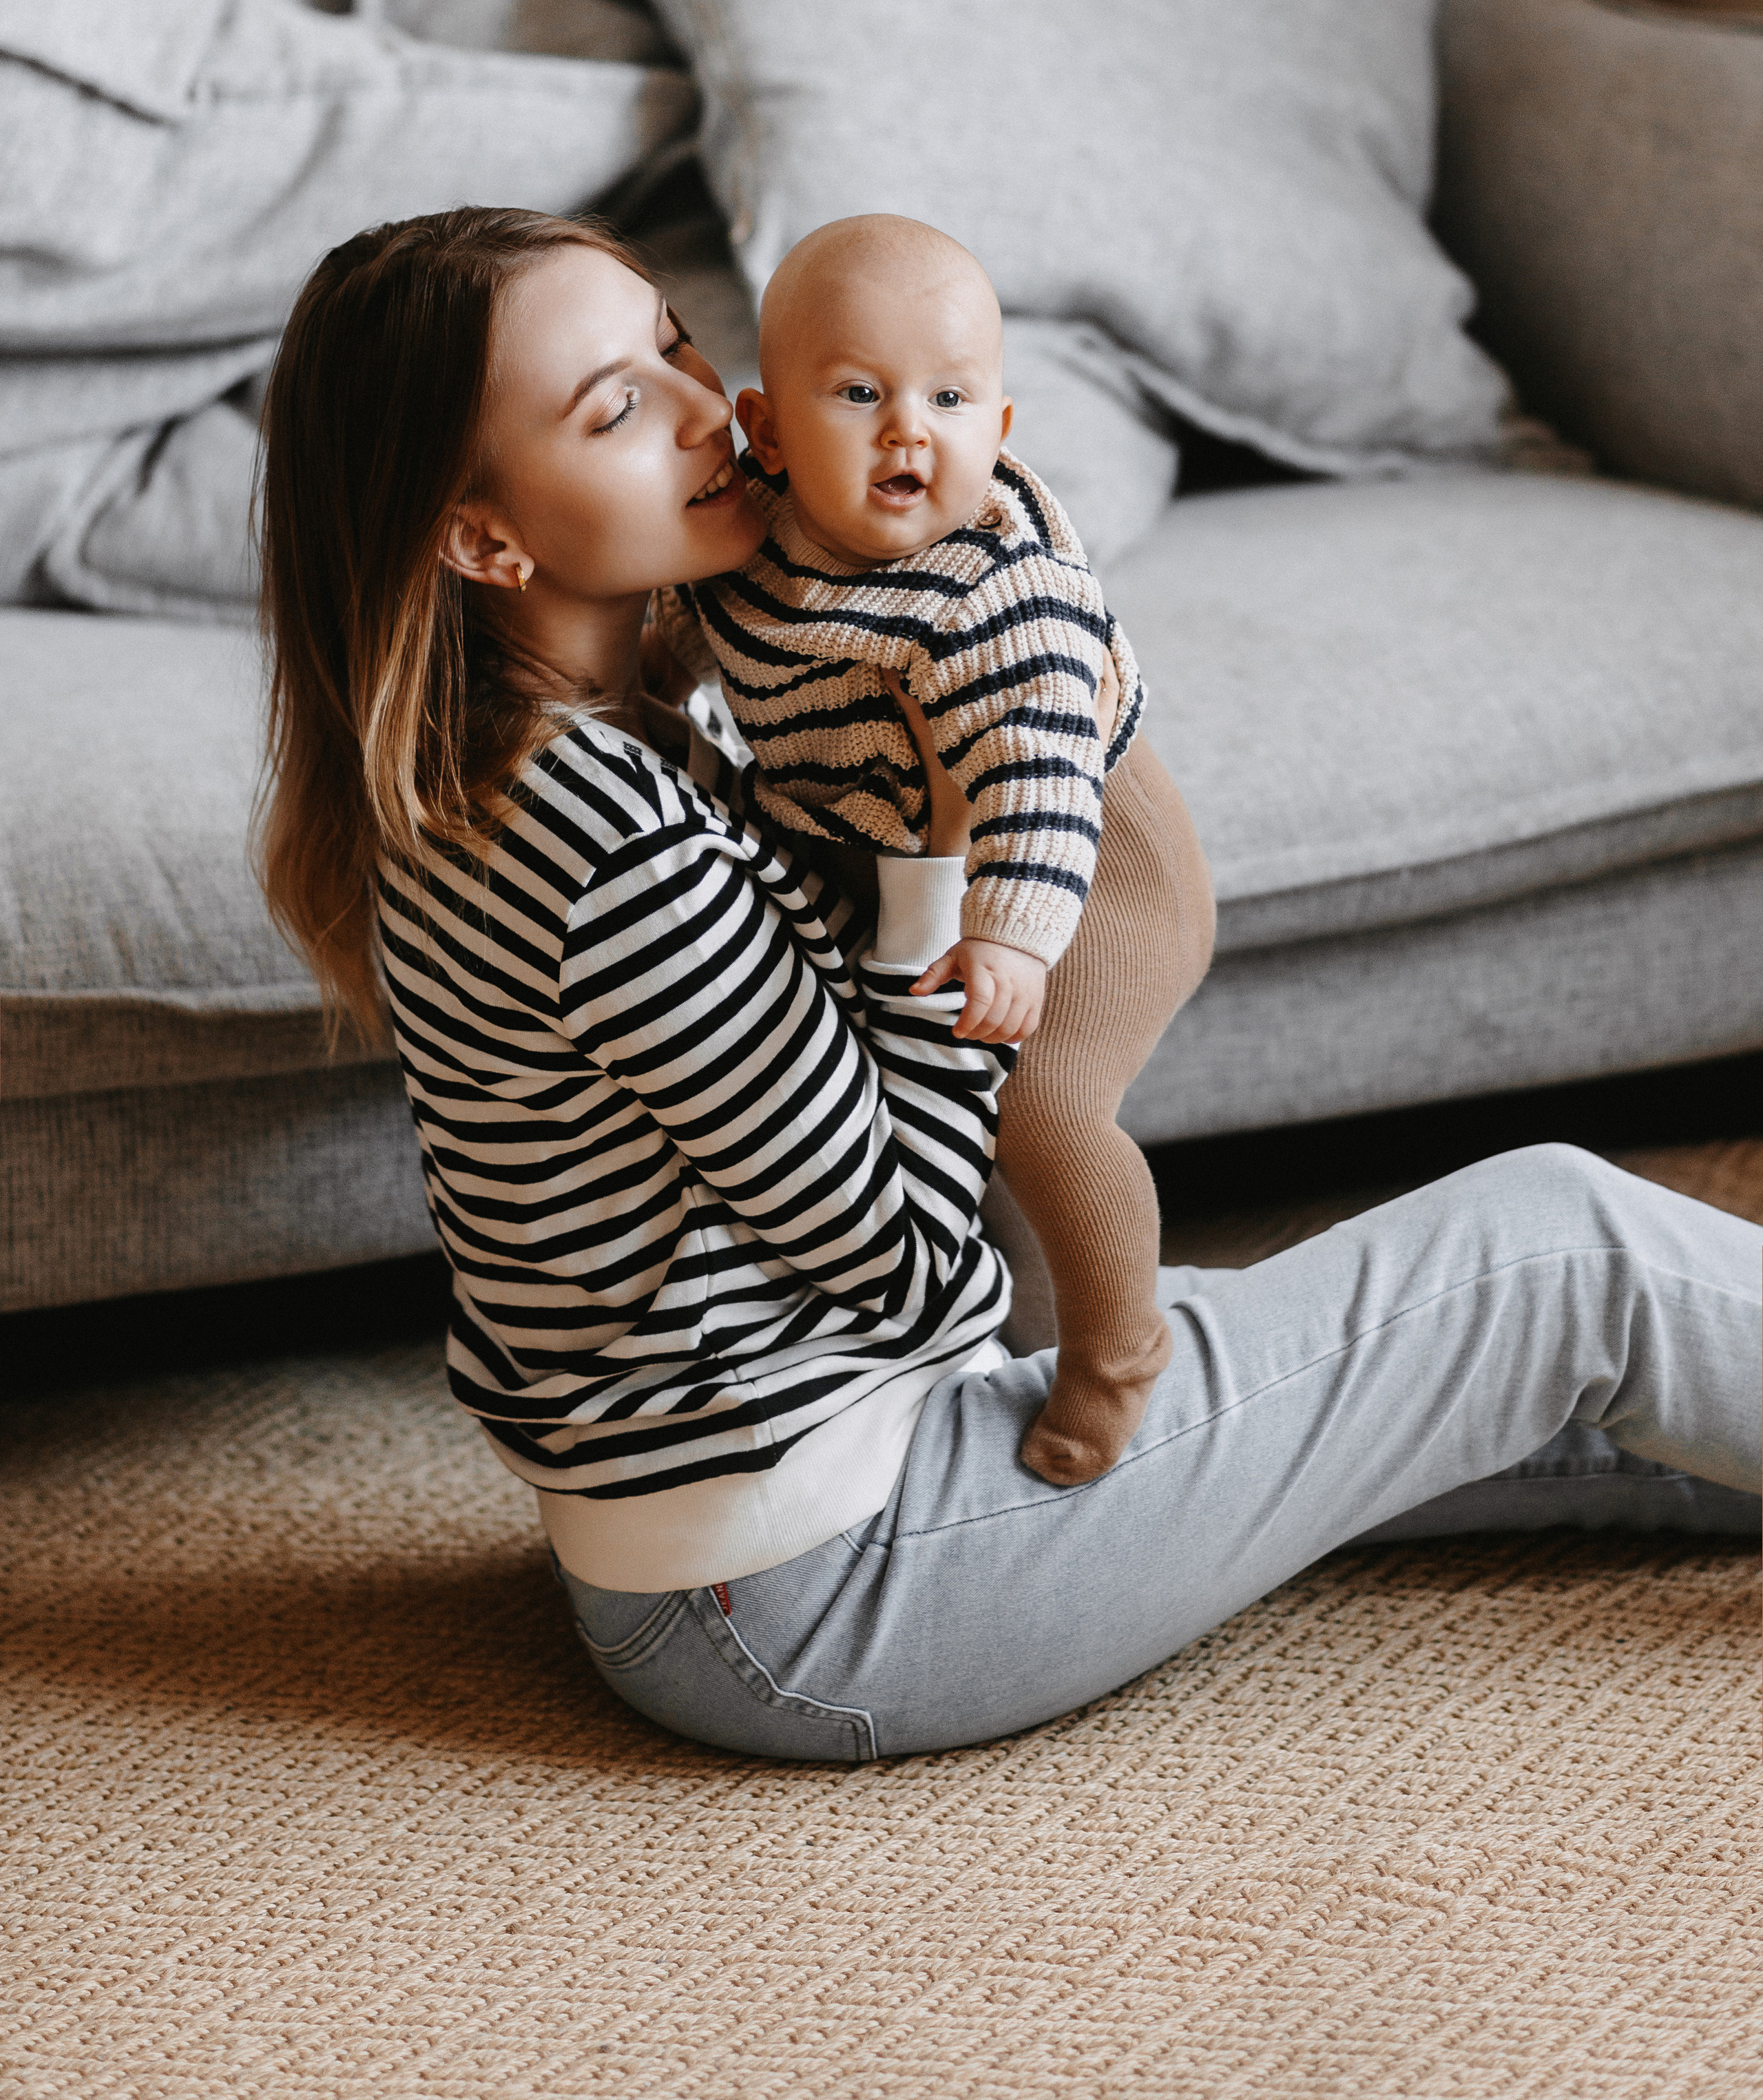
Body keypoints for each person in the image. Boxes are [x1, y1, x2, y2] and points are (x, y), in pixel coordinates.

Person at [257, 205, 1761, 1767]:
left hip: (730, 1549)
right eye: (617, 407)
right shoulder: (601, 837)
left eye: (672, 341)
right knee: (1559, 1251)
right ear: (483, 538)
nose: (715, 413)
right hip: (818, 1591)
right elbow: (907, 1257)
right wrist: (942, 863)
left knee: (1526, 1380)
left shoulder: (511, 769)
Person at [649, 213, 1209, 1488]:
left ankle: (1121, 1348)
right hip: (889, 850)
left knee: (1044, 1105)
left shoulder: (993, 593)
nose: (912, 429)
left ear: (999, 432)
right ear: (770, 431)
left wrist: (1015, 929)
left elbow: (1039, 775)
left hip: (1096, 867)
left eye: (952, 398)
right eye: (860, 393)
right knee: (899, 1104)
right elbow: (693, 648)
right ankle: (966, 1328)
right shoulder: (749, 554)